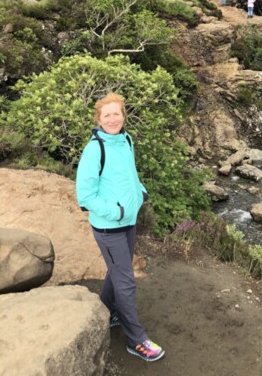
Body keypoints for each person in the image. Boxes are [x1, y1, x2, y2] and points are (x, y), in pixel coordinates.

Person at [76, 93, 165, 363]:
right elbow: (85, 196)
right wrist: (116, 212)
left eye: (117, 113)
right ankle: (136, 340)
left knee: (119, 270)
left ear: (124, 115)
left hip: (128, 221)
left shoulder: (126, 139)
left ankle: (106, 311)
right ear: (99, 119)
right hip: (109, 227)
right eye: (107, 115)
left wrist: (140, 192)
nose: (113, 119)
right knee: (126, 282)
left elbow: (130, 172)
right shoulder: (95, 149)